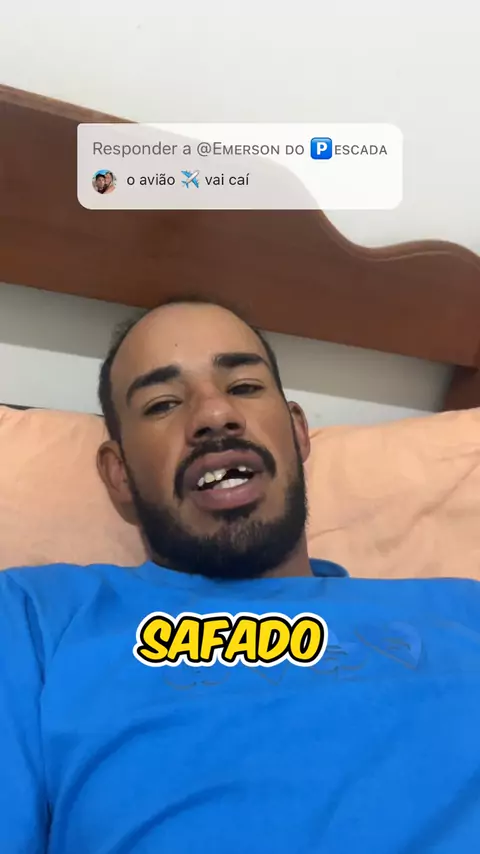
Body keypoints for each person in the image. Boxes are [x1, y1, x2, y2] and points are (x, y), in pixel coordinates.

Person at [0, 295, 479, 853]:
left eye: (245, 386)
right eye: (162, 403)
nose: (213, 414)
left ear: (298, 432)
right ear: (119, 473)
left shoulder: (463, 611)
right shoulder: (37, 618)